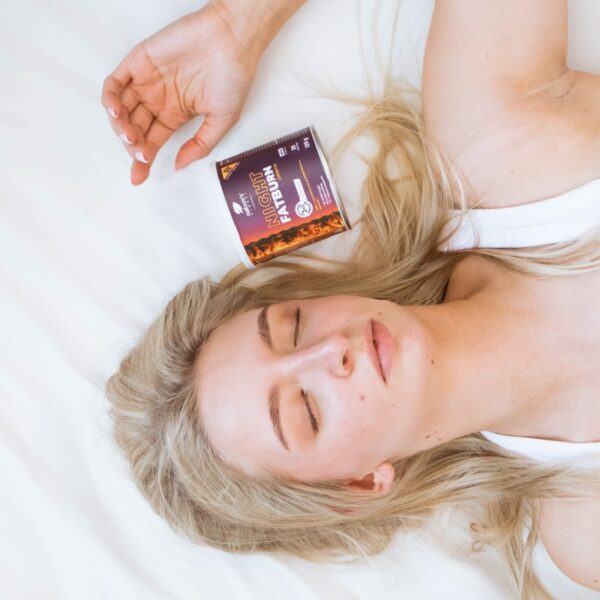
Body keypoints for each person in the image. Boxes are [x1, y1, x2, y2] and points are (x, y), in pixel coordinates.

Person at [103, 0, 600, 597]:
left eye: (293, 326)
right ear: (359, 485)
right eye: (307, 411)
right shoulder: (586, 531)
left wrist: (241, 21)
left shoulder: (489, 138)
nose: (330, 350)